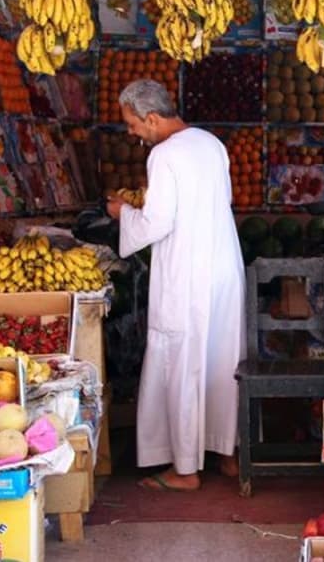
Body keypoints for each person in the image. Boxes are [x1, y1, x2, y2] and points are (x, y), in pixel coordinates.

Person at [106, 79, 246, 491]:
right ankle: (228, 454)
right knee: (222, 359)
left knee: (181, 363)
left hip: (186, 272)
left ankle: (185, 470)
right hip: (222, 267)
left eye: (133, 125)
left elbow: (157, 222)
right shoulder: (211, 143)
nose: (132, 133)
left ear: (152, 118)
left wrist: (122, 214)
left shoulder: (164, 155)